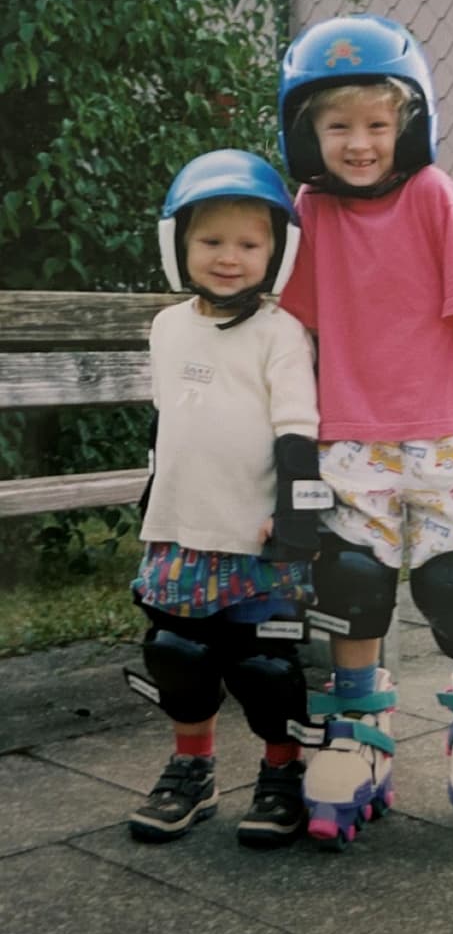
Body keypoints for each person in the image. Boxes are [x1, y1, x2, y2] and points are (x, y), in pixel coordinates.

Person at [277, 14, 453, 852]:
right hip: (348, 435)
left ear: (410, 125)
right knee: (350, 583)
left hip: (440, 433)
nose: (359, 143)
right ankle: (357, 729)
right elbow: (295, 332)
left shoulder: (433, 194)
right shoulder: (309, 209)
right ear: (307, 132)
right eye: (338, 126)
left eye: (378, 125)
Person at [124, 148, 332, 849]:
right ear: (177, 243)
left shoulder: (281, 333)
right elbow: (172, 422)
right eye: (210, 240)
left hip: (259, 535)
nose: (229, 257)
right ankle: (193, 768)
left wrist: (299, 515)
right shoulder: (166, 327)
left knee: (263, 665)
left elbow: (298, 429)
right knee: (177, 653)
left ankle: (282, 771)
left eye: (249, 243)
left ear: (277, 251)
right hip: (181, 530)